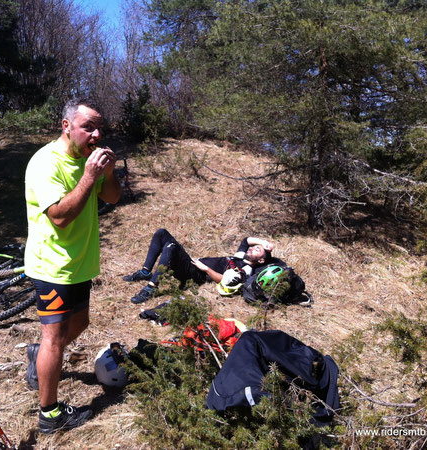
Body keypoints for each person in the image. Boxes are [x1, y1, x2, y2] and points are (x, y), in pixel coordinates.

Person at [24, 98, 121, 434]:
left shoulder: (88, 160)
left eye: (99, 128)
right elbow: (61, 217)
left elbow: (112, 198)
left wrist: (107, 174)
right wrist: (89, 176)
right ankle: (49, 415)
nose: (95, 134)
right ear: (66, 126)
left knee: (79, 323)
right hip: (52, 266)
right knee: (54, 337)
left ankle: (39, 359)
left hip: (80, 263)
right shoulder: (45, 163)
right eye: (88, 127)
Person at [124, 228, 275, 304]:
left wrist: (205, 269)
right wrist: (263, 243)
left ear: (261, 260)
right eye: (254, 247)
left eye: (257, 250)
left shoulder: (246, 270)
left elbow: (224, 281)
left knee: (171, 247)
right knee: (161, 233)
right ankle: (145, 272)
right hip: (193, 265)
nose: (252, 248)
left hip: (196, 274)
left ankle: (151, 287)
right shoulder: (240, 256)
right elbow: (246, 240)